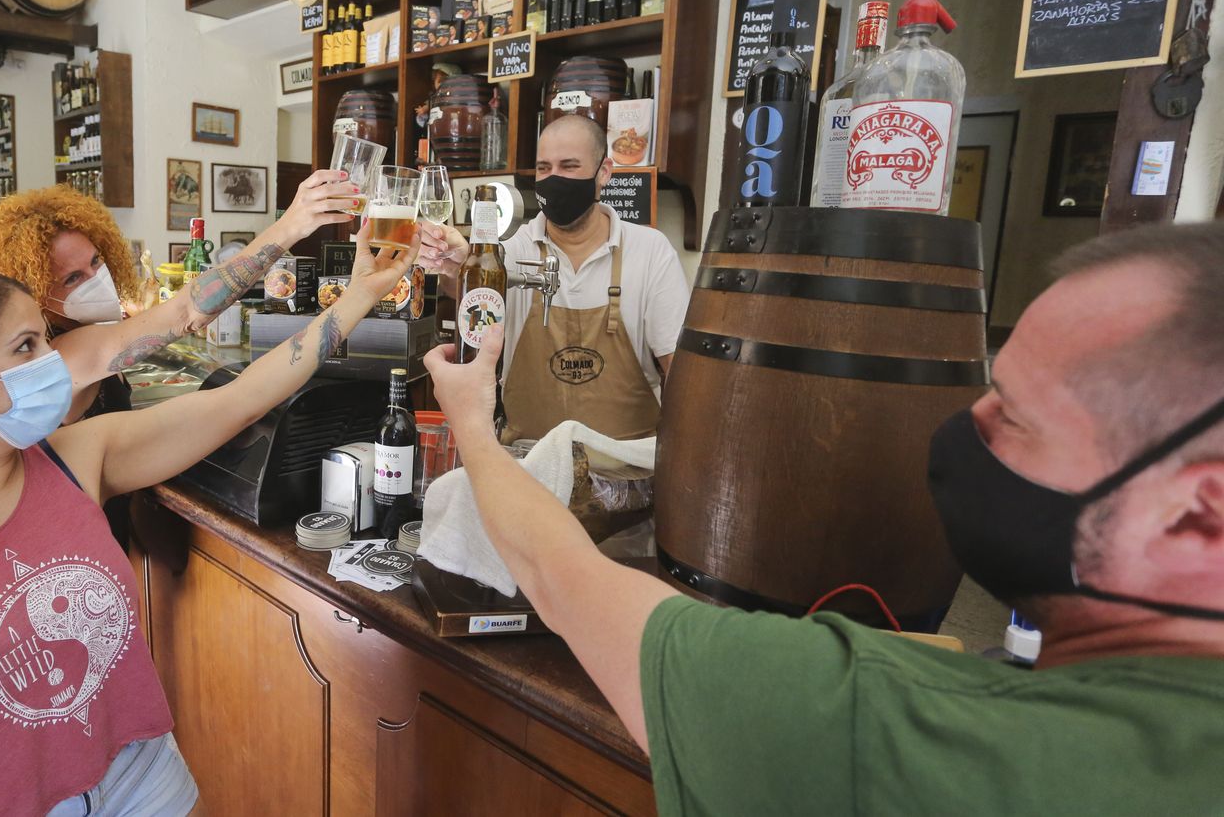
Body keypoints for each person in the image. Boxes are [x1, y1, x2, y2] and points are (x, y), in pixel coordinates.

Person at [423, 221, 1224, 814]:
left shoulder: (870, 717)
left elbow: (559, 578)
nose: (963, 426)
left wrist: (471, 426)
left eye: (1014, 414)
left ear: (1203, 506)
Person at [0, 224, 419, 815]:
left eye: (45, 337)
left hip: (142, 780)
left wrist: (362, 291)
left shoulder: (78, 458)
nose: (53, 362)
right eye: (27, 347)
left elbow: (246, 394)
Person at [0, 176, 358, 424]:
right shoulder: (59, 354)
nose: (97, 279)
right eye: (73, 277)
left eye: (97, 262)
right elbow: (187, 311)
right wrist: (290, 226)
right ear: (33, 291)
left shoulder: (83, 329)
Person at [419, 115, 690, 442]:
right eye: (544, 168)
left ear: (603, 172)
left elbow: (683, 374)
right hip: (526, 464)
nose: (554, 178)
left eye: (569, 166)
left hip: (625, 468)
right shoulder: (511, 251)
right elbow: (474, 293)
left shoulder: (649, 252)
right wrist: (456, 266)